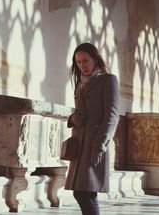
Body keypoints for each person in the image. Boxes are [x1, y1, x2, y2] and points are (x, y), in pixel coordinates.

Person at [64, 43, 119, 215]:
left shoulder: (108, 80)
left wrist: (100, 146)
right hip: (80, 143)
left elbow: (112, 116)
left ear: (95, 59)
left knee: (82, 193)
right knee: (87, 192)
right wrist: (73, 119)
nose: (82, 66)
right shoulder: (80, 82)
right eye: (78, 62)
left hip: (94, 144)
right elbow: (80, 112)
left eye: (85, 61)